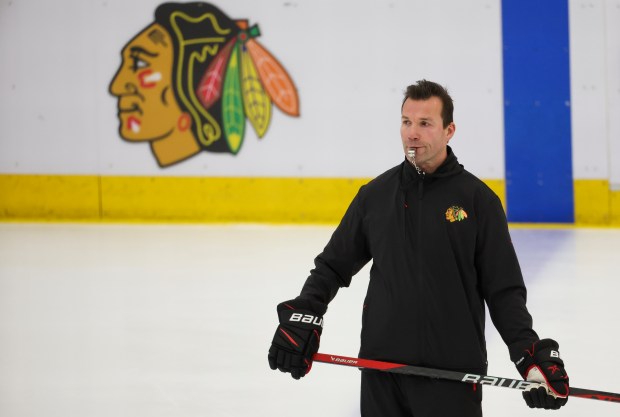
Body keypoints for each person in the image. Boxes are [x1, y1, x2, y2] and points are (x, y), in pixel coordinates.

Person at [268, 80, 569, 416]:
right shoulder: (375, 197)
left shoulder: (478, 201)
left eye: (425, 124)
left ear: (449, 130)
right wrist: (304, 313)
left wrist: (527, 355)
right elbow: (332, 266)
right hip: (381, 373)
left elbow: (504, 291)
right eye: (406, 122)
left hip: (452, 378)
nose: (412, 133)